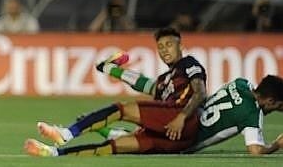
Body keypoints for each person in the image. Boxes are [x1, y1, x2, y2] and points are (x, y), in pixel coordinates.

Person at [25, 27, 207, 155]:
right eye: (160, 47)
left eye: (169, 44)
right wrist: (110, 70)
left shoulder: (187, 63)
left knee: (121, 109)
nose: (164, 50)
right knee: (113, 147)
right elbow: (146, 85)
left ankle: (66, 134)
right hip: (169, 135)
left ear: (180, 46)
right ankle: (55, 153)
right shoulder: (165, 79)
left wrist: (181, 117)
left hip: (180, 119)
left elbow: (200, 92)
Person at [27, 75, 283, 157]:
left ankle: (66, 138)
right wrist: (277, 145)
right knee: (122, 145)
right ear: (270, 100)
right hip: (185, 140)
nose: (277, 111)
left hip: (184, 121)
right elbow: (255, 151)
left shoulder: (239, 83)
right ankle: (59, 146)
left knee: (125, 130)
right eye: (279, 107)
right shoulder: (253, 115)